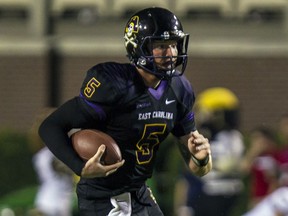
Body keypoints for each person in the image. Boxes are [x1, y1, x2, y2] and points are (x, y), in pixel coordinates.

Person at [38, 7, 212, 216]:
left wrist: (202, 159)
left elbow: (198, 169)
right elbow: (50, 126)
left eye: (174, 44)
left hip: (139, 193)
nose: (171, 53)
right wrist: (80, 168)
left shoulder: (179, 89)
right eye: (160, 45)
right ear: (139, 47)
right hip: (103, 196)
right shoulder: (113, 84)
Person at [174, 87, 245, 216]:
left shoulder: (232, 137)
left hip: (223, 191)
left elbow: (230, 165)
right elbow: (187, 174)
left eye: (216, 113)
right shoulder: (203, 136)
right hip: (204, 192)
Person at [28, 108, 75, 216]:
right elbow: (73, 169)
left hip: (44, 200)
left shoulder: (42, 153)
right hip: (55, 203)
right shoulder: (54, 154)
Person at [240, 127, 280, 208]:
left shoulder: (275, 156)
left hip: (270, 200)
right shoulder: (256, 158)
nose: (255, 143)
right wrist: (253, 152)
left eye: (258, 139)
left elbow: (275, 181)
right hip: (256, 199)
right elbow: (243, 169)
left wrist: (267, 200)